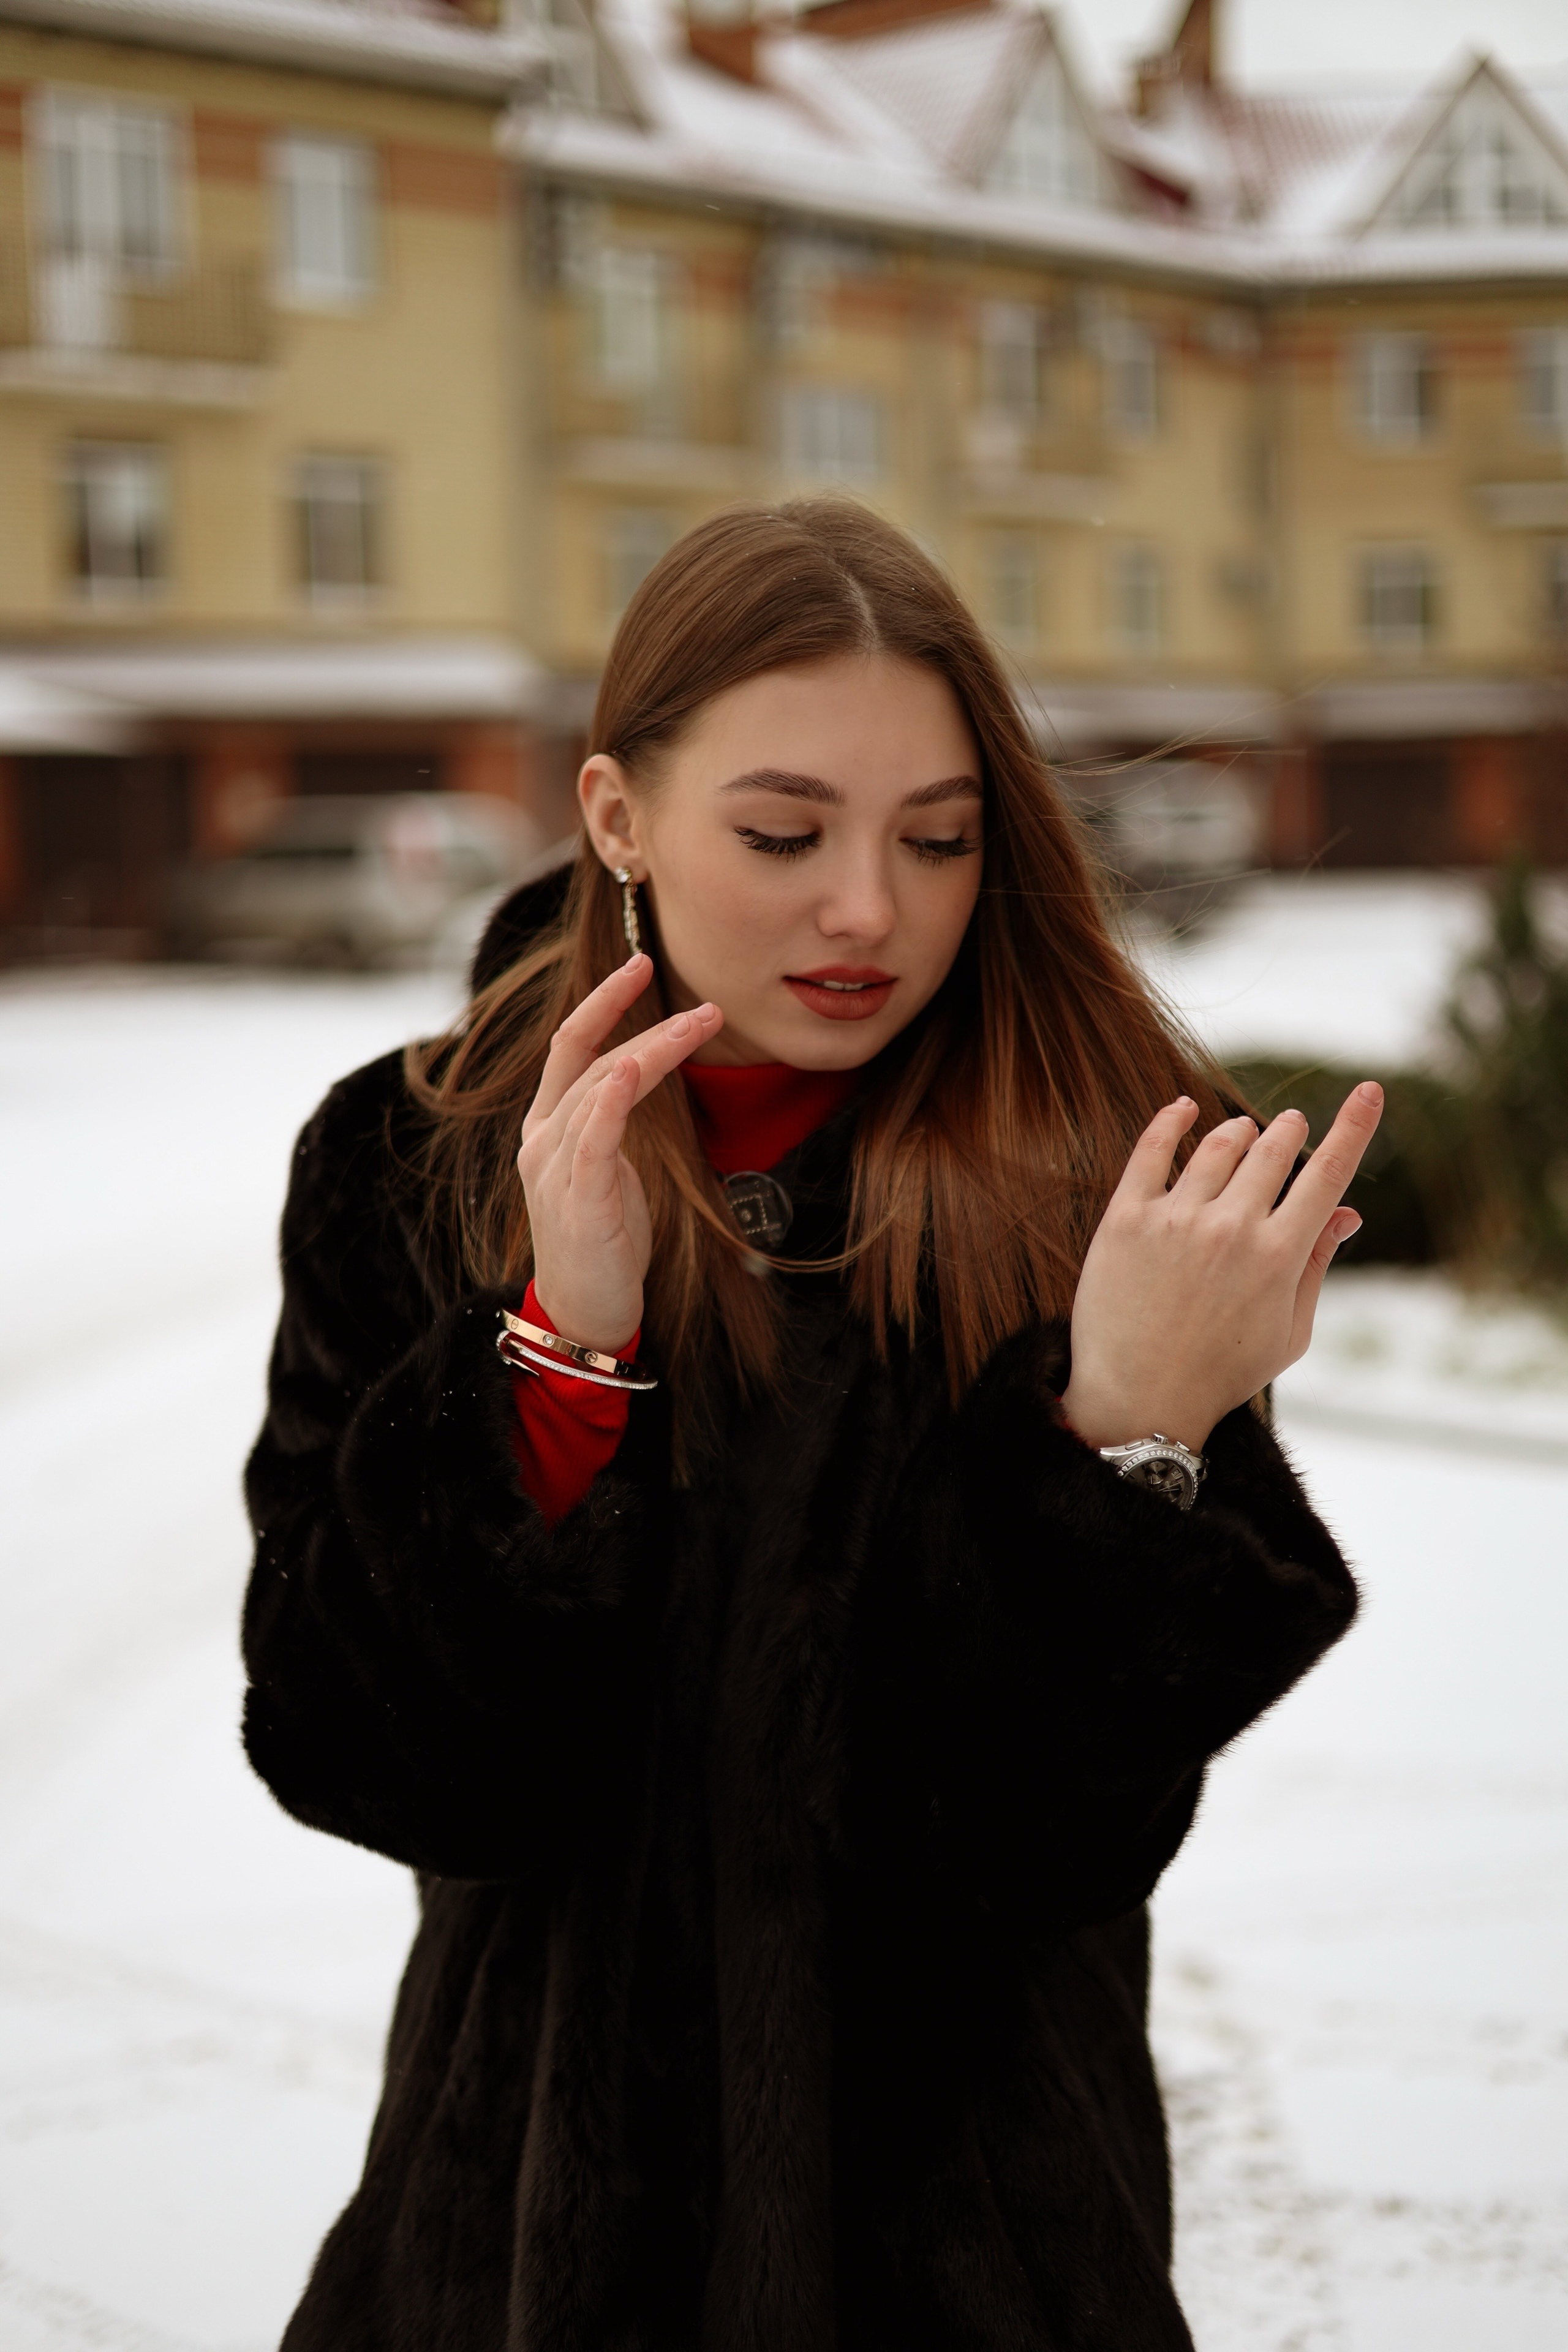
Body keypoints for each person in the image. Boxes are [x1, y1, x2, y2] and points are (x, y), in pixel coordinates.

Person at [242, 499, 1381, 2351]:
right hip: (513, 2248)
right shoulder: (412, 1162)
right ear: (618, 815)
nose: (871, 909)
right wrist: (560, 1347)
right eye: (784, 833)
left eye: (939, 837)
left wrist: (1126, 1433)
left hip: (984, 2266)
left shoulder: (1103, 1175)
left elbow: (1043, 1850)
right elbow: (376, 1762)